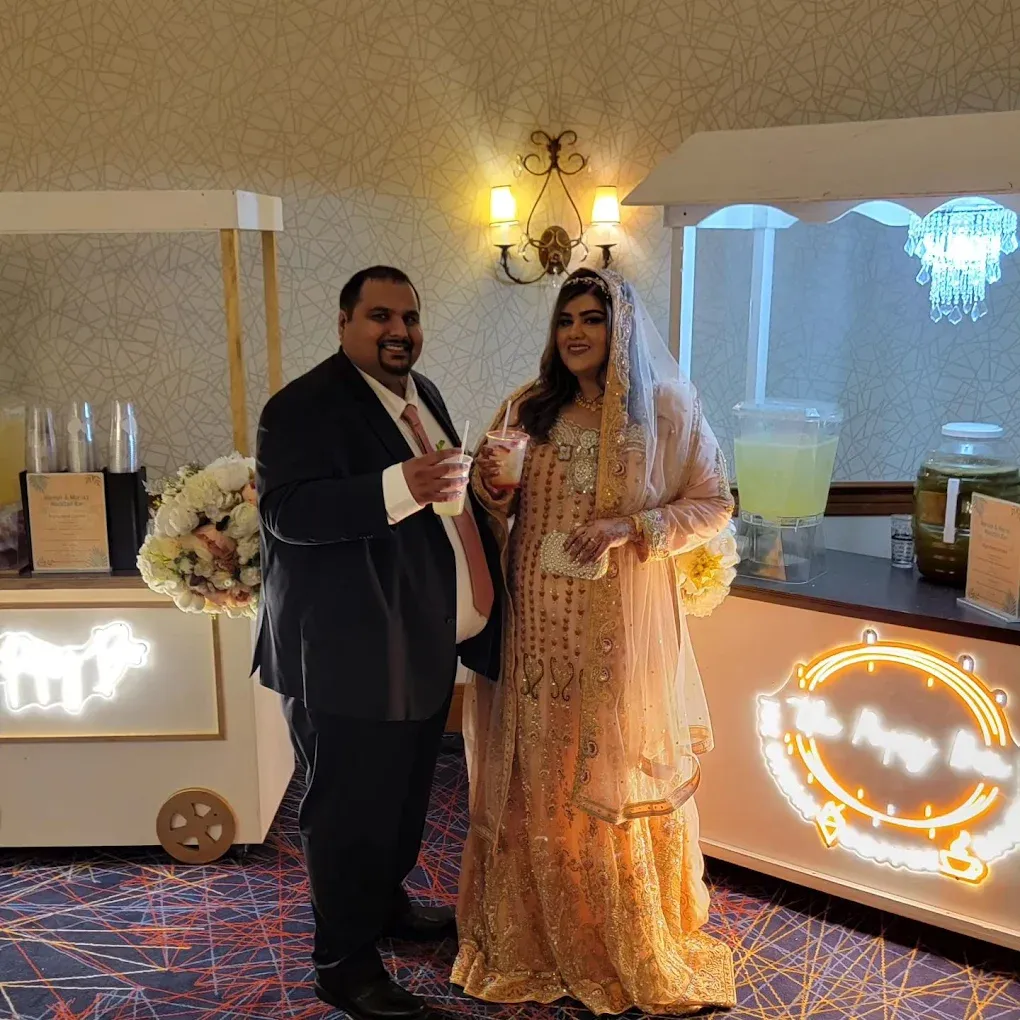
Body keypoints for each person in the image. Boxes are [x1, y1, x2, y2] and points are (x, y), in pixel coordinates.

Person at [452, 267, 737, 1014]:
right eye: (566, 319)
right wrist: (493, 491)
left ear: (624, 330)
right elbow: (488, 506)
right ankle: (535, 934)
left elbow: (712, 506)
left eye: (594, 319)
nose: (576, 332)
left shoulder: (666, 411)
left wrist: (629, 527)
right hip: (531, 626)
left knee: (604, 771)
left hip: (613, 638)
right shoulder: (527, 405)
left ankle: (614, 930)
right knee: (535, 773)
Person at [254, 266, 502, 1020]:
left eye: (410, 318)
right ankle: (343, 965)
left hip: (416, 646)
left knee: (399, 807)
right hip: (347, 658)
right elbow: (288, 513)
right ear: (343, 323)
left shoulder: (420, 396)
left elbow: (441, 499)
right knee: (347, 818)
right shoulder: (302, 406)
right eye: (379, 317)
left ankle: (384, 910)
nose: (399, 331)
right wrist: (403, 486)